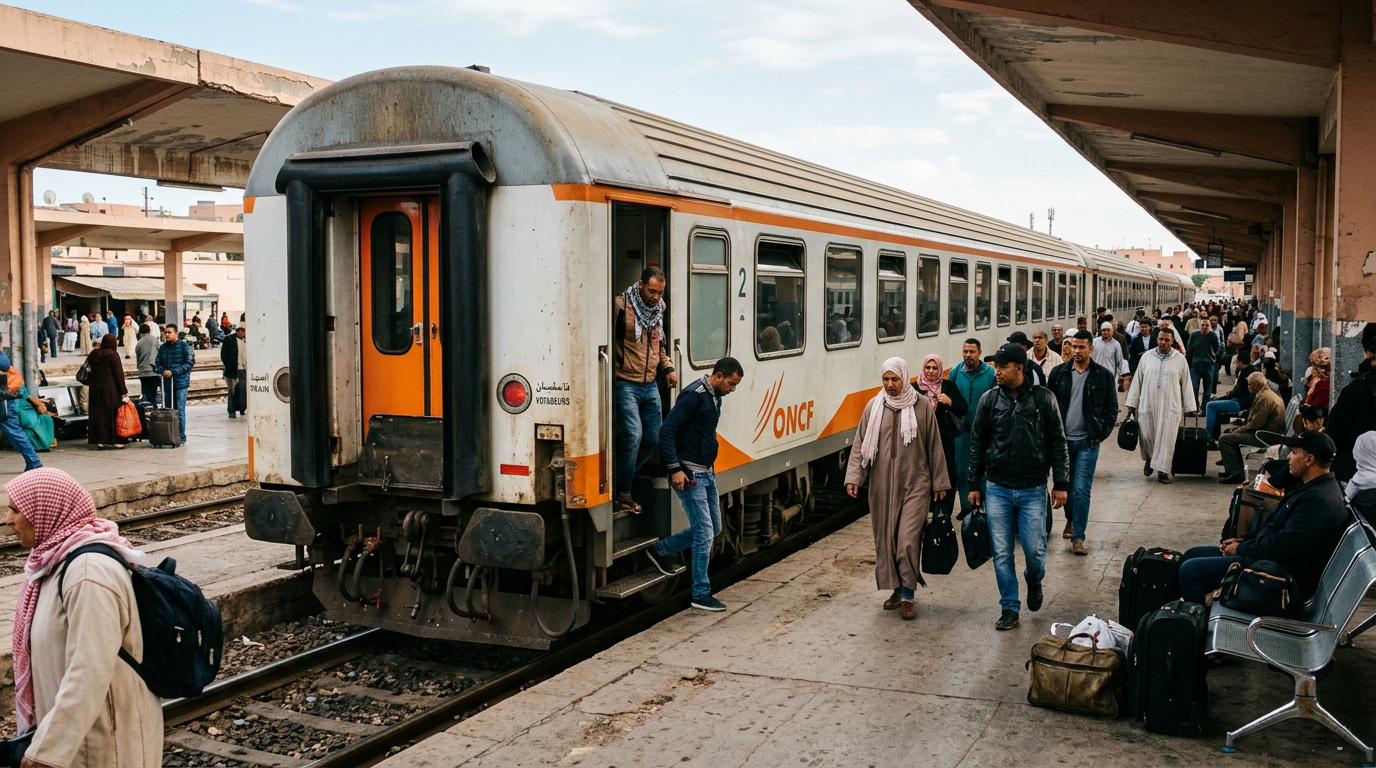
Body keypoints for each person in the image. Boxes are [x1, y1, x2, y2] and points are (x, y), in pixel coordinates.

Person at [6, 469, 162, 768]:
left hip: (103, 746)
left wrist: (49, 750)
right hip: (82, 742)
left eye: (16, 510)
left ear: (46, 511)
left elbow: (89, 669)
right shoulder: (55, 563)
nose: (9, 520)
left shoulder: (88, 573)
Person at [1177, 431, 1348, 604]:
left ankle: (1197, 620)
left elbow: (1283, 545)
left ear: (1309, 460)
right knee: (1191, 554)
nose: (1288, 456)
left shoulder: (1318, 500)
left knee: (1190, 571)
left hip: (1277, 577)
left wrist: (1242, 548)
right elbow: (1279, 534)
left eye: (1294, 452)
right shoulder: (1314, 487)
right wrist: (1244, 543)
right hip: (1269, 559)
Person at [967, 343, 1070, 631]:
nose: (996, 371)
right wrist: (974, 483)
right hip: (997, 487)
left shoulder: (1043, 399)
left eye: (1002, 367)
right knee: (1001, 552)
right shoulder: (989, 400)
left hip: (1032, 489)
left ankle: (1034, 580)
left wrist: (1061, 483)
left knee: (1035, 551)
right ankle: (1009, 607)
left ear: (1019, 369)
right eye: (995, 366)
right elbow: (977, 443)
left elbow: (1058, 443)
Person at [840, 357, 950, 621]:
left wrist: (939, 482)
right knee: (886, 541)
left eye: (895, 380)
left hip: (915, 484)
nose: (890, 385)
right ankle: (897, 590)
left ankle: (909, 594)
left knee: (908, 541)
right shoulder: (873, 406)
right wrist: (854, 476)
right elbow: (860, 443)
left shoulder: (921, 406)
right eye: (886, 380)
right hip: (881, 485)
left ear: (905, 378)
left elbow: (934, 444)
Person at [644, 357, 743, 612]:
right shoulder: (694, 396)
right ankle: (700, 593)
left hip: (706, 473)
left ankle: (661, 550)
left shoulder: (714, 398)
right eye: (731, 384)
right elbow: (667, 430)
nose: (733, 390)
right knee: (704, 533)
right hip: (690, 474)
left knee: (714, 527)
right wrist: (675, 469)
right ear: (718, 376)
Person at [611, 267, 677, 514]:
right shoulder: (620, 305)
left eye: (660, 293)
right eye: (652, 291)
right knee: (633, 435)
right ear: (640, 285)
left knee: (652, 438)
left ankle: (619, 479)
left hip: (649, 385)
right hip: (625, 382)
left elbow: (658, 343)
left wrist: (668, 367)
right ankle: (623, 491)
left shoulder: (658, 309)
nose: (655, 297)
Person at [1046, 331, 1118, 554]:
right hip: (1062, 443)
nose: (1077, 351)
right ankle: (1071, 518)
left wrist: (1099, 435)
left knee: (1081, 490)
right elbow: (1049, 406)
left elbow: (1112, 409)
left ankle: (1078, 537)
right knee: (1065, 487)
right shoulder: (1058, 374)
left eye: (1081, 347)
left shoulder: (1102, 376)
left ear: (1090, 349)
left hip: (1087, 442)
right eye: (1073, 346)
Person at [1125, 327, 1197, 484]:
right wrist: (1131, 403)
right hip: (1147, 404)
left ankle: (1163, 471)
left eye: (1167, 340)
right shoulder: (1146, 357)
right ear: (1156, 340)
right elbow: (1137, 381)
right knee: (1147, 435)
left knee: (1167, 438)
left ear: (1172, 341)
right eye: (1161, 339)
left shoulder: (1180, 359)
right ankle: (1150, 459)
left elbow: (1186, 383)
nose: (1163, 342)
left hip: (1170, 406)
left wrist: (1190, 406)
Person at [914, 353, 967, 522]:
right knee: (922, 475)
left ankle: (944, 512)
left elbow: (963, 408)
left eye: (934, 368)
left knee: (946, 475)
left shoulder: (948, 387)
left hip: (944, 441)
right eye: (927, 367)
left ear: (940, 369)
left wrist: (949, 402)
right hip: (920, 442)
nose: (930, 371)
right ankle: (923, 509)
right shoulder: (915, 388)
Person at [947, 338, 996, 516]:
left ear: (980, 353)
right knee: (962, 469)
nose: (968, 355)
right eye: (965, 351)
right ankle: (967, 507)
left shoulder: (990, 373)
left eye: (972, 352)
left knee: (982, 467)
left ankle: (983, 506)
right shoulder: (955, 371)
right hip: (961, 431)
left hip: (983, 430)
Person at [1216, 372, 1286, 484]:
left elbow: (1256, 424)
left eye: (1249, 384)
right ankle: (1232, 470)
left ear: (1254, 385)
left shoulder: (1265, 398)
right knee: (1228, 435)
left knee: (1225, 439)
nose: (1248, 387)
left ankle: (1236, 472)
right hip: (1268, 432)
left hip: (1265, 435)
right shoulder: (1266, 394)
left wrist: (1239, 429)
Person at [85, 334, 130, 450]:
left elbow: (87, 369)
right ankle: (114, 441)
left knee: (97, 414)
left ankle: (99, 440)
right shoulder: (113, 355)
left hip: (95, 388)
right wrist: (123, 391)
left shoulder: (94, 353)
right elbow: (119, 375)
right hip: (110, 389)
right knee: (112, 414)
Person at [0, 351, 42, 472]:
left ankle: (34, 462)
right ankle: (33, 462)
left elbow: (4, 365)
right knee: (14, 432)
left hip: (3, 403)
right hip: (4, 401)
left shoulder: (2, 359)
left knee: (14, 432)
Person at [154, 324, 194, 445]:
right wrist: (162, 371)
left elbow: (189, 363)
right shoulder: (163, 348)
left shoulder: (184, 346)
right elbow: (157, 363)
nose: (166, 335)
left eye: (169, 332)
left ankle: (181, 436)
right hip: (166, 383)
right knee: (168, 410)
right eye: (165, 332)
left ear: (176, 333)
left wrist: (173, 372)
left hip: (180, 383)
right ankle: (169, 434)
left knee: (179, 411)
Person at [1207, 354, 1259, 441]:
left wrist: (1227, 395)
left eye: (1237, 362)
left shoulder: (1246, 374)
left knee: (1210, 405)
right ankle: (1214, 436)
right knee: (1216, 408)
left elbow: (1238, 391)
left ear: (1240, 363)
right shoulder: (1248, 371)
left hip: (1240, 403)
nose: (1236, 364)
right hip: (1241, 401)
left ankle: (1209, 435)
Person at [1187, 316, 1220, 406]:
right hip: (1196, 365)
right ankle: (1195, 406)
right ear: (1199, 326)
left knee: (1207, 389)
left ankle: (1205, 408)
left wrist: (1213, 356)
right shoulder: (1194, 335)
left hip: (1209, 365)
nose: (1204, 327)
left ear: (1209, 326)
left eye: (1207, 325)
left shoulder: (1213, 336)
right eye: (1203, 325)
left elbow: (1217, 348)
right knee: (1194, 387)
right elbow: (1189, 349)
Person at [221, 324, 247, 418]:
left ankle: (242, 408)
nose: (241, 332)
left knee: (243, 390)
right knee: (232, 391)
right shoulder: (229, 339)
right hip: (233, 370)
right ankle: (231, 410)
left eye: (243, 331)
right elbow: (224, 354)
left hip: (244, 369)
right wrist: (229, 364)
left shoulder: (247, 340)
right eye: (239, 330)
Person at [135, 326, 160, 404]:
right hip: (153, 370)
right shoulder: (154, 340)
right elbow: (159, 353)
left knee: (145, 392)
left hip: (142, 371)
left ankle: (147, 407)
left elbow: (138, 357)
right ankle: (153, 406)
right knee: (153, 393)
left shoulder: (139, 343)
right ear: (149, 331)